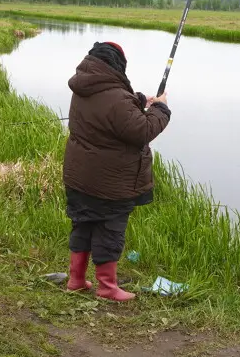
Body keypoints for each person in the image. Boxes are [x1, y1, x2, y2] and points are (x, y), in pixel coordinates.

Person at [62, 41, 171, 301]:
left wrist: (140, 101)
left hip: (80, 177)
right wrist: (161, 108)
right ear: (116, 65)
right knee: (110, 230)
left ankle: (76, 280)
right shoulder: (115, 96)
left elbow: (112, 112)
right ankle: (107, 287)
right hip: (109, 183)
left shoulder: (84, 87)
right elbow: (142, 131)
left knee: (83, 224)